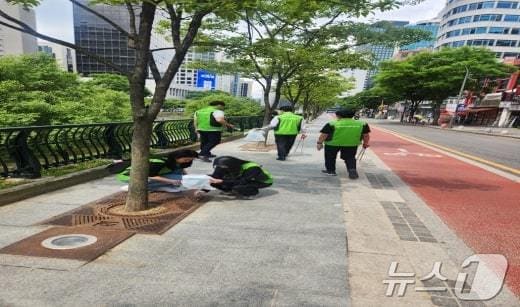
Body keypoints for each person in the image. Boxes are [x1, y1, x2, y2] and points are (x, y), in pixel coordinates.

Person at [317, 108, 370, 178]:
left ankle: (331, 171)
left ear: (339, 116)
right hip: (351, 144)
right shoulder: (362, 124)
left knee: (330, 157)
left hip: (332, 144)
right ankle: (352, 169)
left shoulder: (332, 123)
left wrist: (319, 143)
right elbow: (366, 135)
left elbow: (324, 134)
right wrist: (365, 143)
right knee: (350, 157)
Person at [115, 149, 199, 192]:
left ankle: (163, 185)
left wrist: (188, 177)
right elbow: (151, 176)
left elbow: (180, 169)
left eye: (190, 160)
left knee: (179, 176)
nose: (188, 161)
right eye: (186, 159)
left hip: (153, 173)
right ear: (178, 157)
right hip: (129, 175)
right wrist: (171, 181)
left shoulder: (175, 161)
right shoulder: (160, 162)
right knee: (178, 179)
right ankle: (136, 187)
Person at [209, 156, 273, 199]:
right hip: (243, 178)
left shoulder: (252, 168)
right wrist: (202, 191)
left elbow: (242, 181)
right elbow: (214, 177)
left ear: (232, 165)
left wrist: (223, 181)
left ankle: (252, 192)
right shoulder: (221, 165)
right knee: (212, 180)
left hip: (262, 181)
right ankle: (229, 190)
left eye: (223, 168)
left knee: (238, 186)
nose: (221, 169)